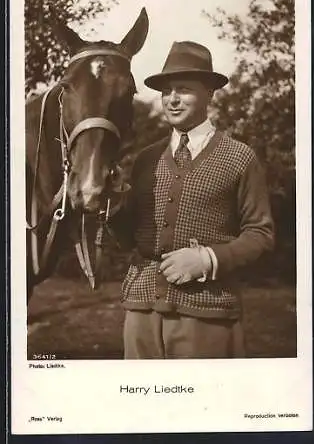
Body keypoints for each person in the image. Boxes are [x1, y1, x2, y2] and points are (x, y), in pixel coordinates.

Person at [111, 40, 274, 359]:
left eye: (183, 89)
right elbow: (127, 238)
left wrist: (207, 260)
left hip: (206, 314)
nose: (172, 99)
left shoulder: (239, 157)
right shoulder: (145, 159)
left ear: (209, 92)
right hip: (140, 313)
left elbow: (261, 235)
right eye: (166, 90)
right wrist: (114, 204)